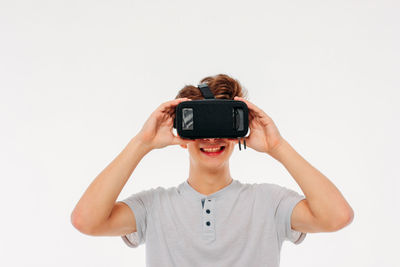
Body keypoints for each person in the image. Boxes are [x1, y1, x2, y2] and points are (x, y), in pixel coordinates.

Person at [71, 74, 354, 267]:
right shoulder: (154, 206)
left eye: (221, 127)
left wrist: (277, 146)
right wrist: (141, 143)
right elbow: (86, 220)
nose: (211, 139)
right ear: (182, 137)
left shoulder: (269, 203)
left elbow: (337, 217)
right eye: (200, 127)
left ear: (239, 131)